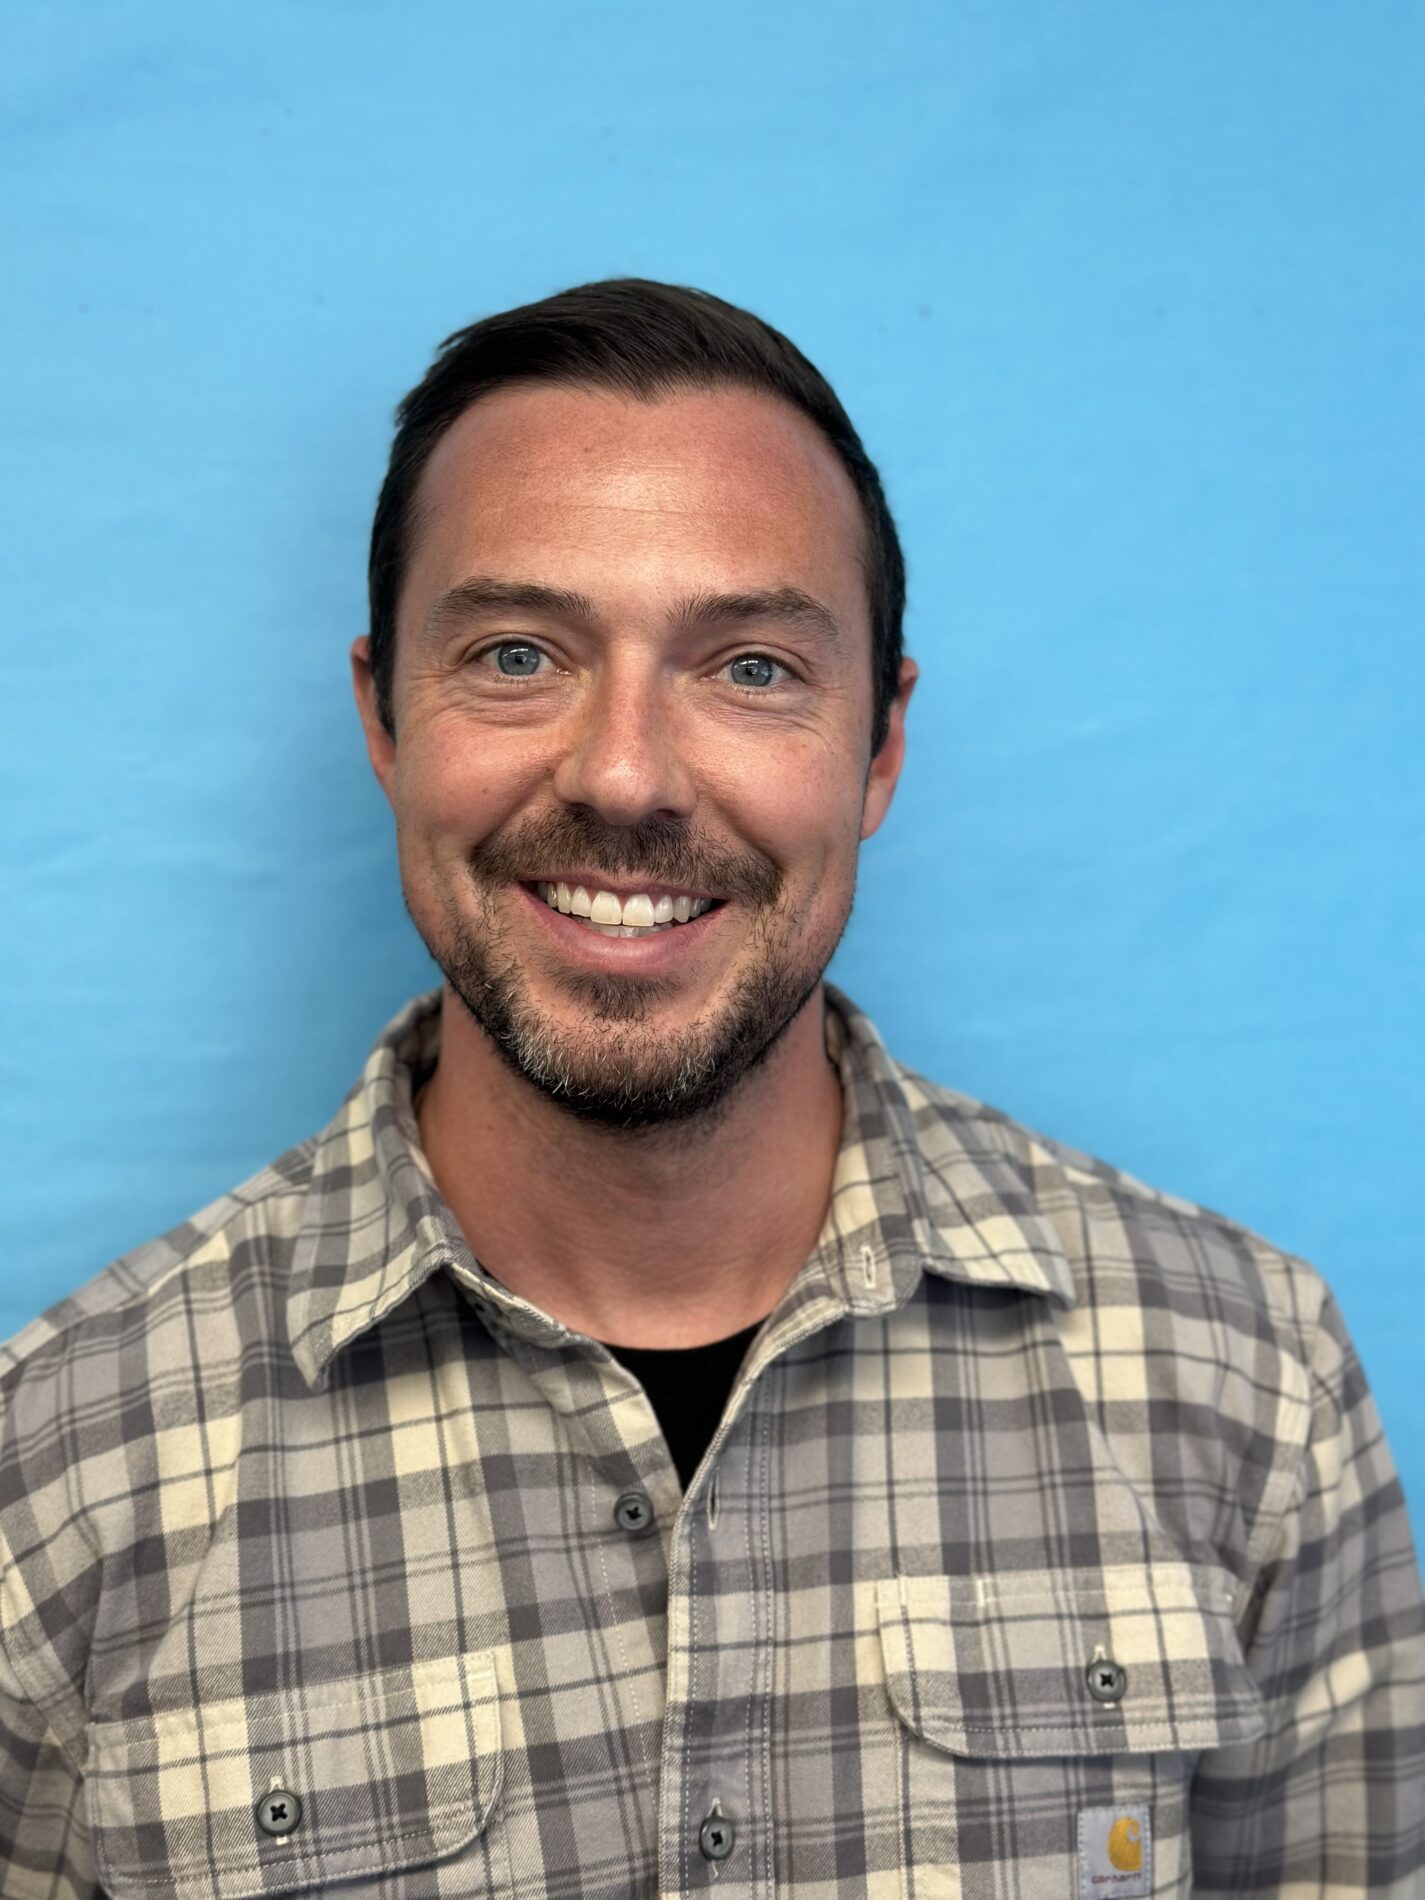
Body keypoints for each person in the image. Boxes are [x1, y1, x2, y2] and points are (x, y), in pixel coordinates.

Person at [1, 278, 1420, 1899]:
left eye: (748, 668)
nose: (624, 775)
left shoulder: (1245, 1383)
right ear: (383, 718)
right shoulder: (54, 1465)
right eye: (517, 654)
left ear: (878, 748)